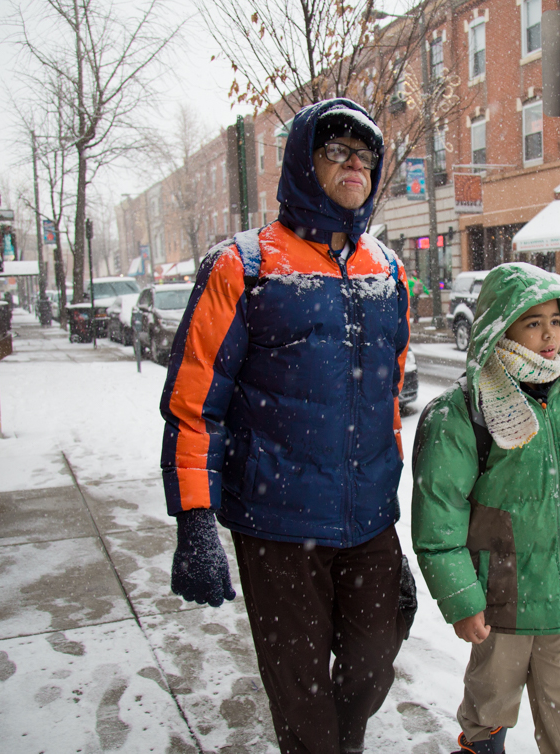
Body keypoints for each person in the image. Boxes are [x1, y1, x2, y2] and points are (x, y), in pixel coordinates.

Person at [160, 98, 412, 754]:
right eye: (336, 150)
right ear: (304, 162)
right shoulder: (244, 265)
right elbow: (194, 404)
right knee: (299, 694)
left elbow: (387, 404)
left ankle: (342, 741)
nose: (354, 162)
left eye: (366, 153)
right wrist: (194, 520)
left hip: (367, 524)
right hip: (277, 525)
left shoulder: (387, 271)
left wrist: (390, 527)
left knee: (373, 660)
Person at [411, 263, 560, 754]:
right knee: (490, 704)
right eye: (532, 322)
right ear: (500, 328)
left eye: (555, 319)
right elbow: (438, 517)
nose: (549, 335)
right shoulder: (464, 411)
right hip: (500, 595)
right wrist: (462, 600)